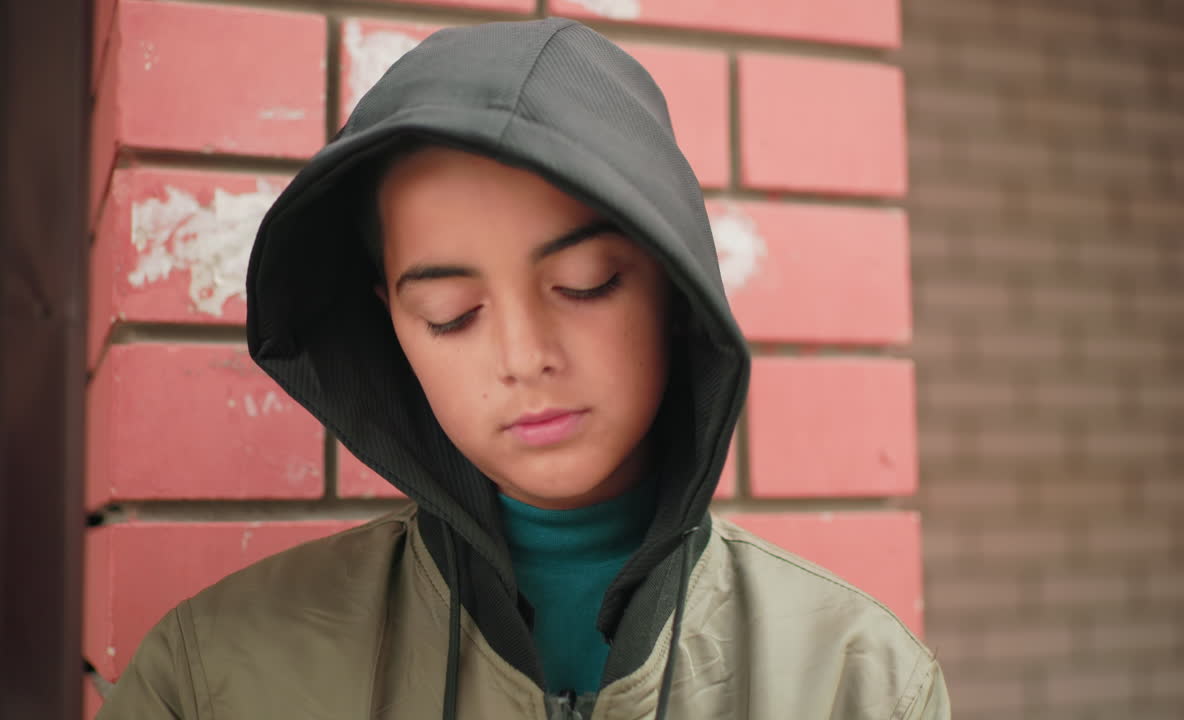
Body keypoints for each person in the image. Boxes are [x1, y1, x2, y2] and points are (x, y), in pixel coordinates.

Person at [98, 17, 949, 719]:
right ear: (390, 324)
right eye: (451, 313)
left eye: (586, 284)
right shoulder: (212, 676)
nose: (522, 357)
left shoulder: (857, 681)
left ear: (674, 285)